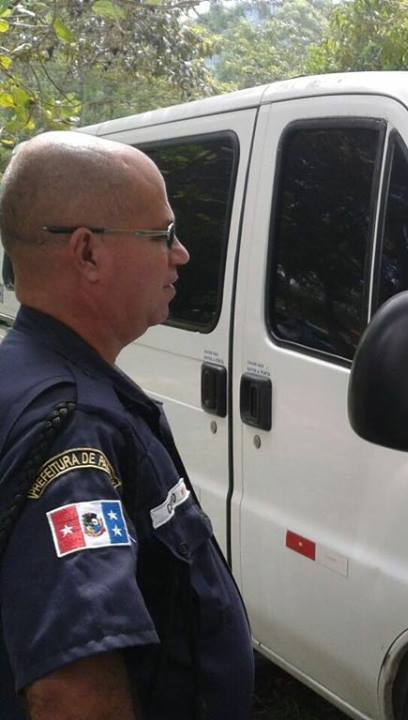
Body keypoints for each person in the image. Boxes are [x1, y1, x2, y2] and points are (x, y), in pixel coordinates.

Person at [0, 131, 254, 719]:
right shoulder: (75, 427)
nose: (181, 253)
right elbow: (71, 692)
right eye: (163, 235)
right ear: (87, 253)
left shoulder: (24, 375)